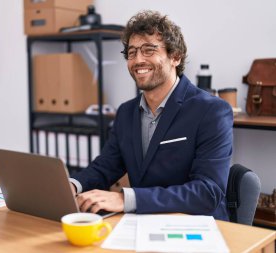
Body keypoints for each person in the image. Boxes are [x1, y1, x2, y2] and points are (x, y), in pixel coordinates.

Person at [70, 10, 233, 221]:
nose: (138, 60)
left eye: (149, 50)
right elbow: (105, 167)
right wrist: (72, 185)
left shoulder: (212, 111)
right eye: (132, 52)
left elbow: (207, 192)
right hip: (143, 223)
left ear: (175, 56)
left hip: (198, 227)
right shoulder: (126, 113)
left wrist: (125, 199)